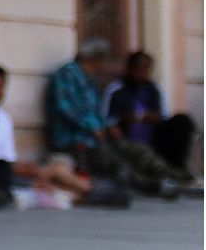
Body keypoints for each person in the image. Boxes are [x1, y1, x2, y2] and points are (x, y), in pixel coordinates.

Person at [46, 38, 185, 196]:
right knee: (117, 164)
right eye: (102, 60)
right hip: (75, 141)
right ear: (94, 58)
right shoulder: (66, 76)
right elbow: (66, 107)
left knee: (139, 151)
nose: (103, 65)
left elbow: (97, 111)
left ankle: (178, 178)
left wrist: (109, 125)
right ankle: (152, 186)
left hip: (97, 139)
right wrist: (94, 127)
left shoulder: (89, 80)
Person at [0, 64, 91, 207]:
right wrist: (27, 171)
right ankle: (88, 193)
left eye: (0, 86)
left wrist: (26, 168)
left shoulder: (4, 118)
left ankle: (86, 193)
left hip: (6, 171)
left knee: (56, 171)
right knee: (53, 175)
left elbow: (8, 159)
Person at [103, 51, 198, 179]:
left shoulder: (154, 89)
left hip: (153, 139)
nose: (143, 72)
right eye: (139, 68)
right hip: (127, 141)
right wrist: (122, 120)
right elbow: (105, 119)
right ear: (130, 69)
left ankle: (178, 167)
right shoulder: (115, 89)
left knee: (182, 121)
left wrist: (154, 118)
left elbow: (164, 116)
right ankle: (171, 175)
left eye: (146, 68)